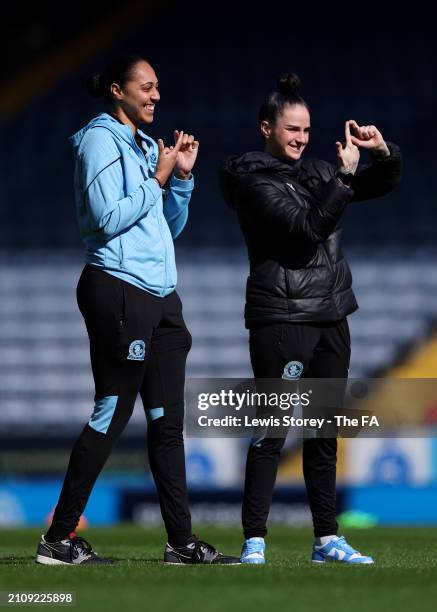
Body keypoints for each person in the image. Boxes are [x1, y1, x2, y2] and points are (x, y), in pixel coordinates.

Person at [36, 54, 239, 565]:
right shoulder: (99, 139)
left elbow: (162, 229)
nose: (154, 96)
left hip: (161, 296)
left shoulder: (148, 145)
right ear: (116, 91)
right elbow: (105, 219)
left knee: (168, 421)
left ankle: (181, 543)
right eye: (145, 87)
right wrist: (158, 179)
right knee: (113, 409)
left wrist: (182, 181)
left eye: (157, 88)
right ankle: (58, 539)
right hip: (118, 289)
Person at [219, 73, 401, 564]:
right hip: (282, 318)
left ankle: (326, 540)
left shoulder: (320, 172)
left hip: (331, 316)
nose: (301, 139)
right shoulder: (251, 181)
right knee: (271, 431)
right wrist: (343, 179)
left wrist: (381, 153)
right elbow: (305, 231)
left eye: (306, 130)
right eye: (291, 130)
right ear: (266, 128)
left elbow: (381, 184)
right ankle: (254, 540)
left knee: (323, 434)